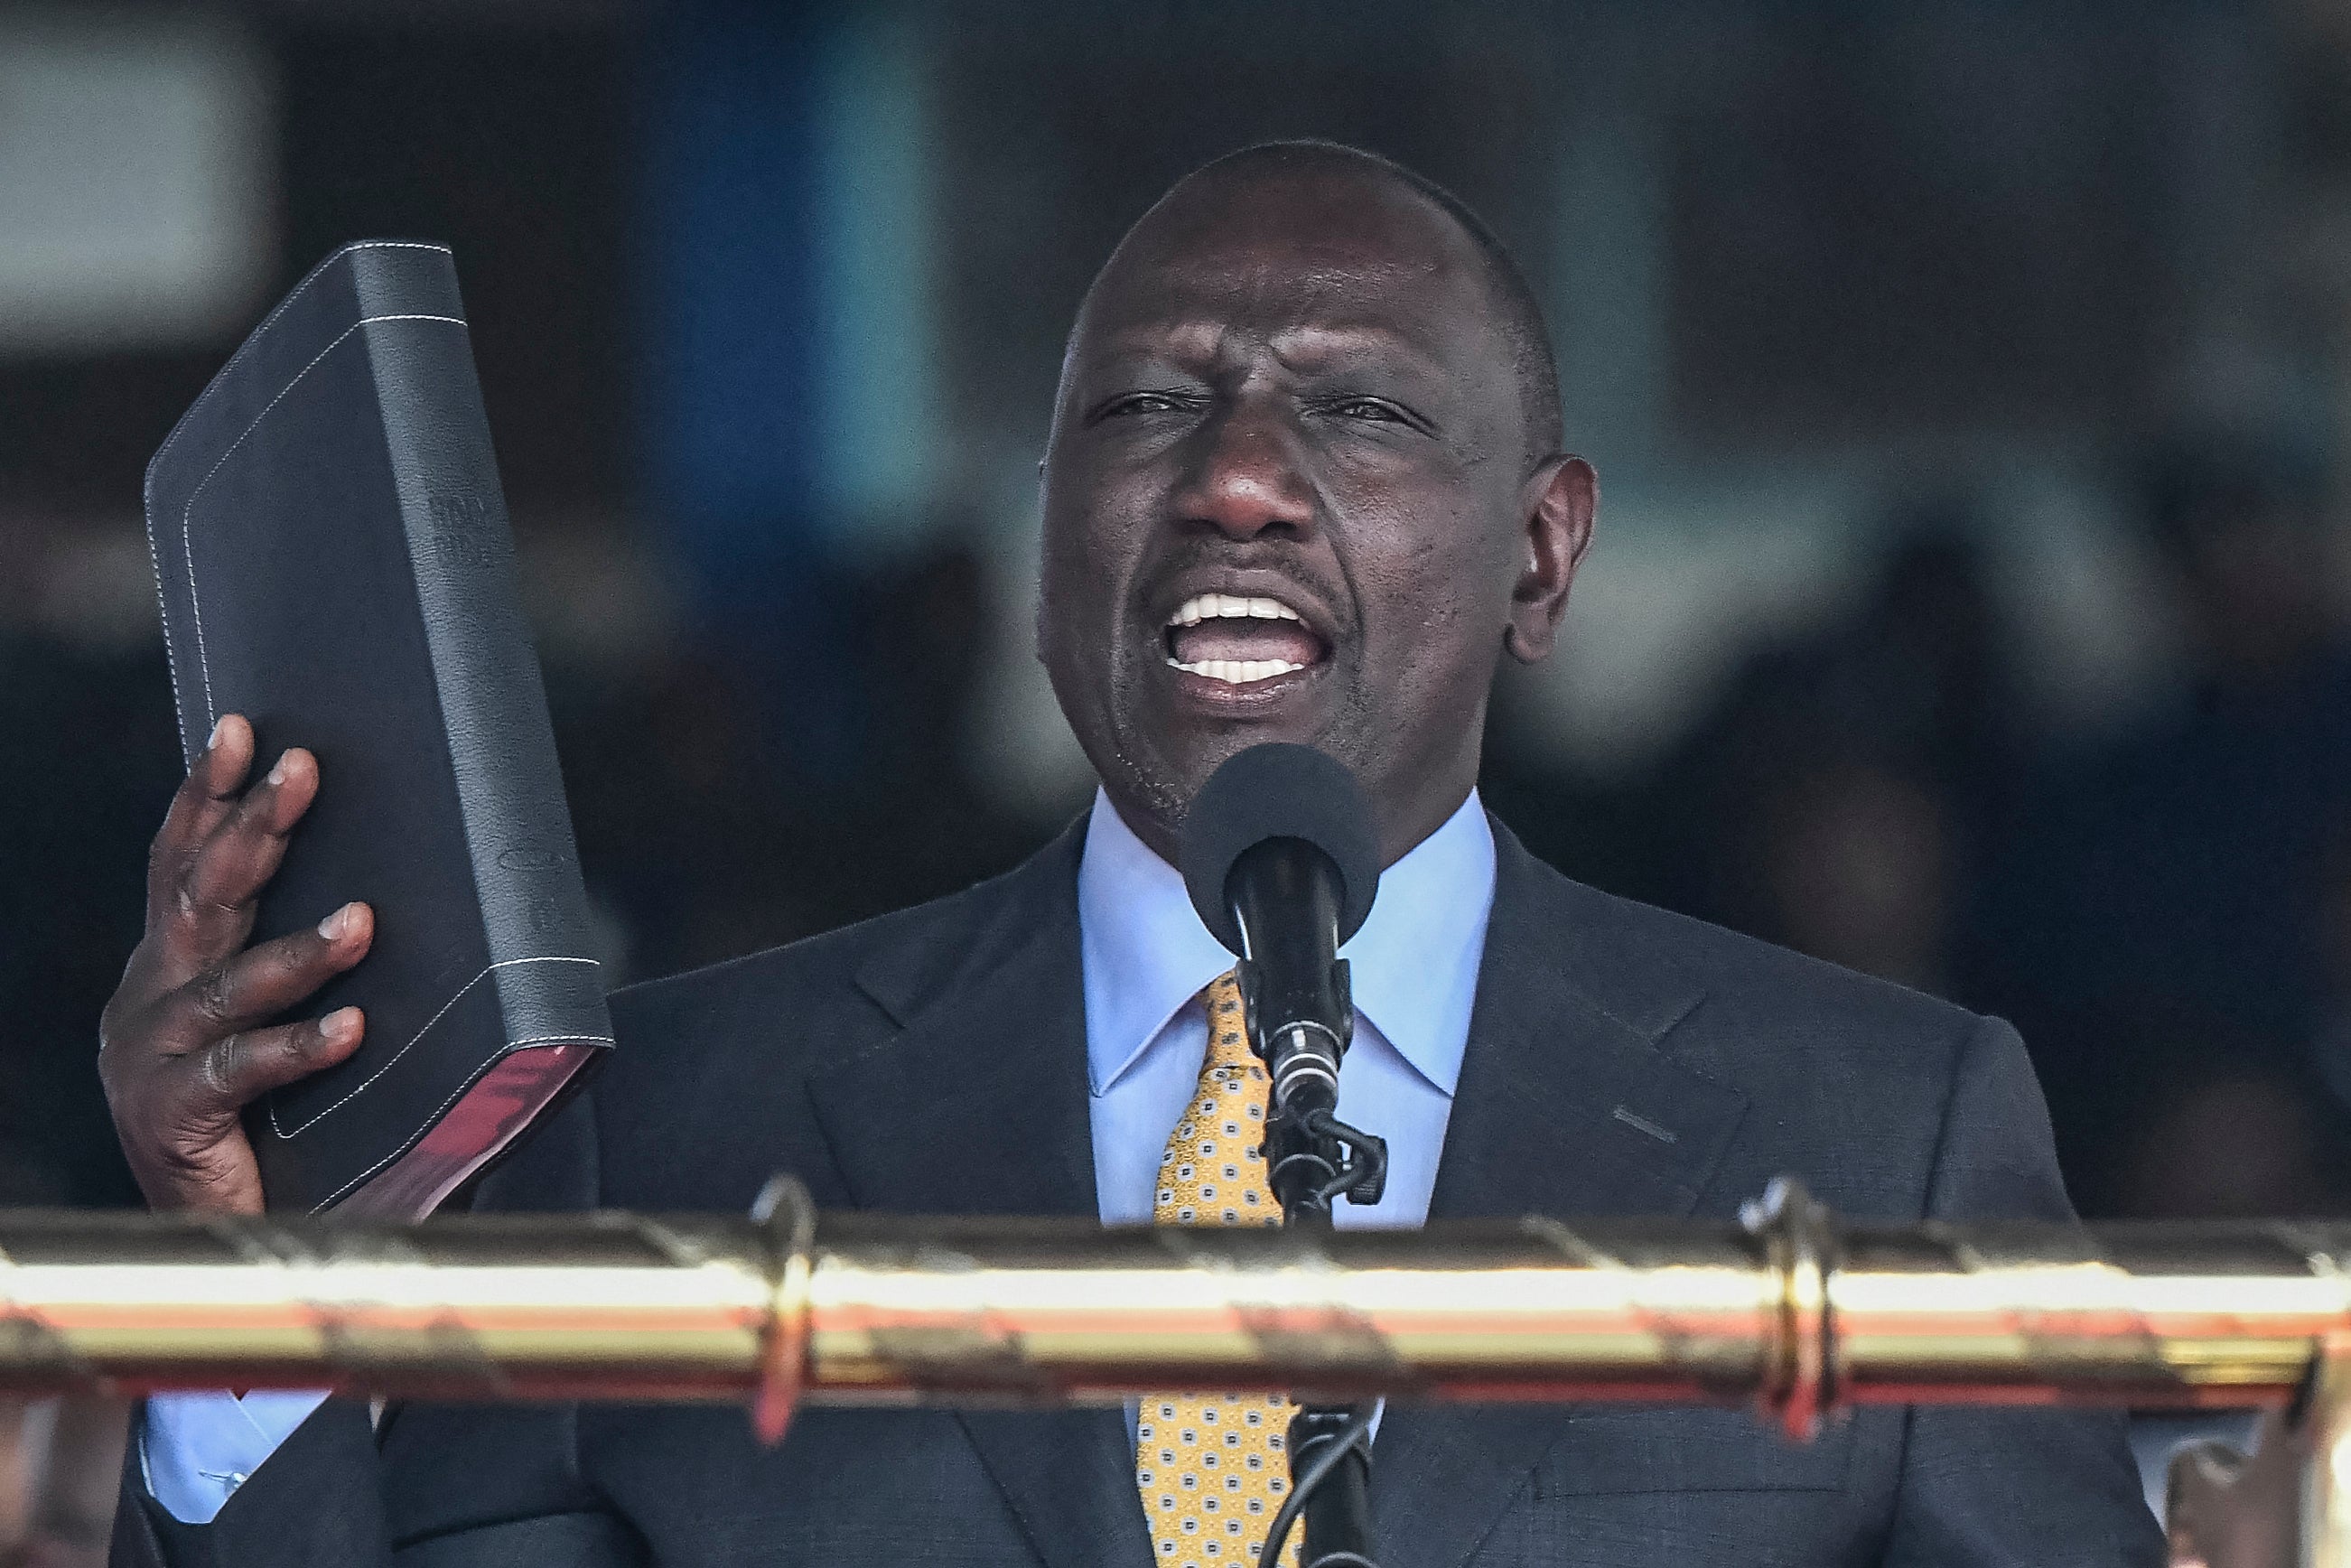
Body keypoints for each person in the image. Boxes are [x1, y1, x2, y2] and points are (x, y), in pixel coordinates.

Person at [98, 142, 2161, 1568]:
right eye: (1148, 405)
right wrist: (233, 1281)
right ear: (1044, 546)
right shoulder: (664, 1130)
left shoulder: (1880, 1137)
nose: (1239, 473)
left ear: (1542, 556)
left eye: (1357, 415)